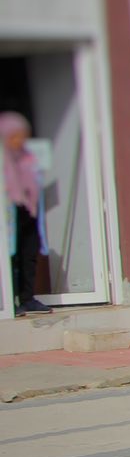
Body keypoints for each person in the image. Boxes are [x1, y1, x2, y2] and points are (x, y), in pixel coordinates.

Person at [2, 112, 49, 315]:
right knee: (8, 258)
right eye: (14, 136)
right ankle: (7, 301)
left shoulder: (27, 157)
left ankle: (27, 298)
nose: (19, 140)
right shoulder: (3, 158)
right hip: (6, 215)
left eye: (22, 135)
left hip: (27, 210)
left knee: (28, 254)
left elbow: (36, 181)